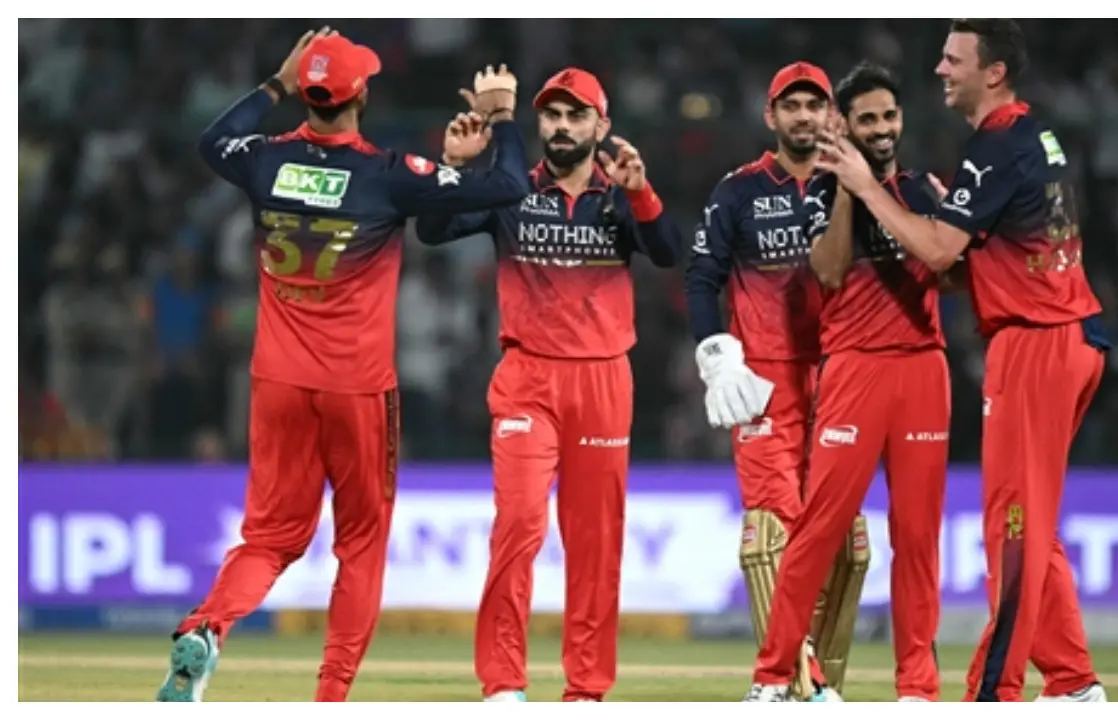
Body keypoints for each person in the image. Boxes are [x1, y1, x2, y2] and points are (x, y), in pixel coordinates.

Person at [157, 28, 529, 702]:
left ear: (307, 91)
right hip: (357, 389)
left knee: (268, 538)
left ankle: (208, 628)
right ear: (361, 94)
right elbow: (506, 187)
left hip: (276, 381)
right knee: (360, 542)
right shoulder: (388, 175)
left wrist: (276, 82)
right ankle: (330, 698)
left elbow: (213, 139)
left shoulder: (264, 162)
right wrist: (501, 116)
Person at [814, 20, 1110, 702]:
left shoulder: (996, 145)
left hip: (1035, 343)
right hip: (1071, 333)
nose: (940, 69)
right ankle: (1071, 681)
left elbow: (941, 251)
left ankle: (994, 691)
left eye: (954, 59)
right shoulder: (1036, 134)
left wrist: (863, 185)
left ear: (994, 71)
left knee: (1011, 525)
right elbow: (979, 254)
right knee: (1033, 524)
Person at [416, 67, 683, 702]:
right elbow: (431, 230)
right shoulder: (510, 189)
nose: (562, 127)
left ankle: (585, 690)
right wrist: (452, 169)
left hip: (602, 380)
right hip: (528, 377)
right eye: (552, 116)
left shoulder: (620, 194)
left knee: (596, 543)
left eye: (576, 116)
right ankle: (503, 685)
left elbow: (669, 251)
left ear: (602, 126)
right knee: (518, 524)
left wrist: (643, 195)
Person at [742, 61, 950, 703]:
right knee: (819, 529)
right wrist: (847, 190)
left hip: (922, 367)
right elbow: (829, 273)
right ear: (846, 127)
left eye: (890, 116)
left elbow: (952, 269)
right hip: (854, 369)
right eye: (868, 118)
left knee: (917, 538)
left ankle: (917, 687)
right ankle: (774, 678)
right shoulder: (823, 195)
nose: (883, 128)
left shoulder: (926, 193)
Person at [683, 62, 856, 703]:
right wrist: (716, 354)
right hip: (763, 378)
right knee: (771, 533)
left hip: (844, 371)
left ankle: (815, 683)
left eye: (815, 105)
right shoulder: (738, 192)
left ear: (830, 114)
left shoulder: (853, 183)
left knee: (843, 539)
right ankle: (793, 684)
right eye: (792, 105)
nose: (804, 116)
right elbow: (701, 278)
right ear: (771, 115)